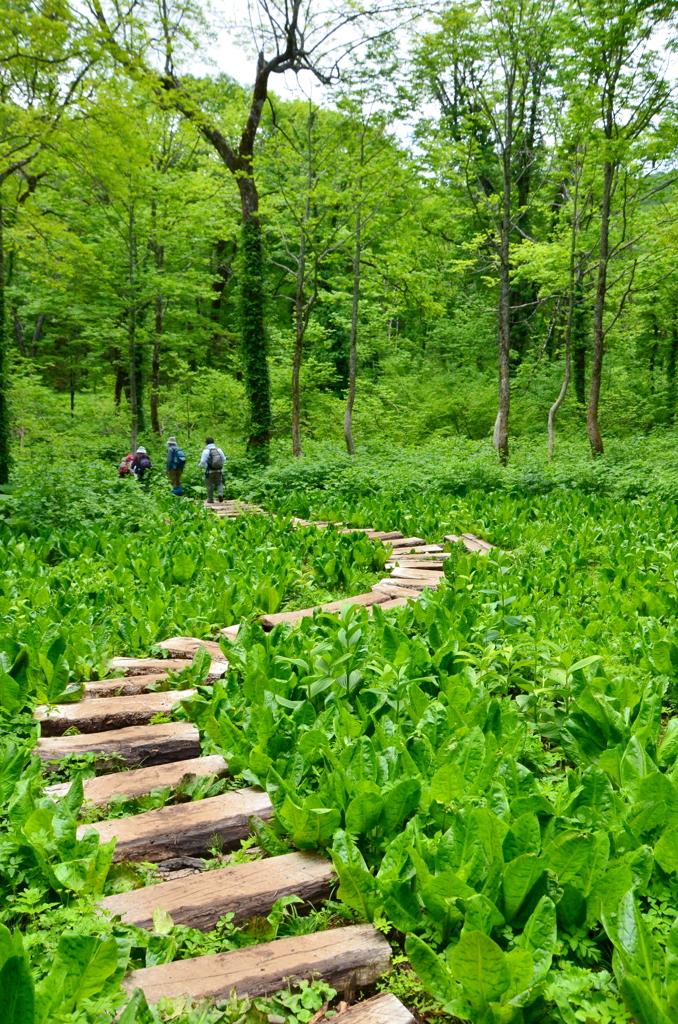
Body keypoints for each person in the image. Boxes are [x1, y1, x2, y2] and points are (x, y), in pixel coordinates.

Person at [199, 436, 226, 503]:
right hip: (219, 470)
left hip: (209, 471)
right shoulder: (219, 450)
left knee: (209, 485)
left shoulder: (206, 451)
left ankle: (210, 500)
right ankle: (220, 493)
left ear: (206, 443)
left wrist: (200, 466)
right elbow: (224, 459)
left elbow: (203, 461)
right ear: (213, 442)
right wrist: (219, 465)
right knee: (219, 483)